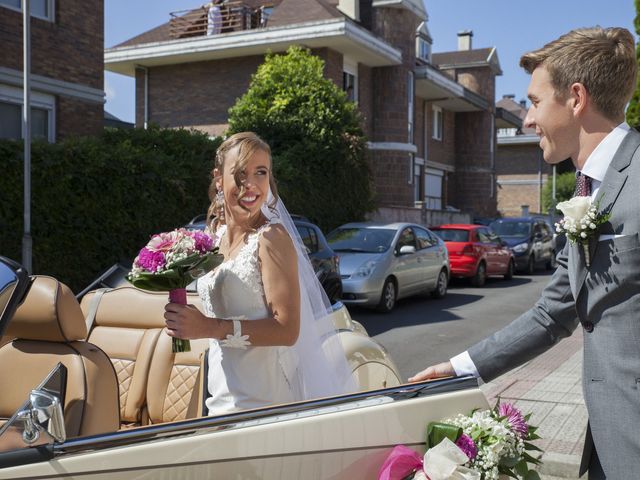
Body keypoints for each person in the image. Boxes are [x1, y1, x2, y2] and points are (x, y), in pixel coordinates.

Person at [409, 27, 639, 479]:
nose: (526, 121)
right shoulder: (585, 191)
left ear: (576, 99)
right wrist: (458, 369)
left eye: (535, 102)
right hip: (609, 445)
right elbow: (553, 314)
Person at [164, 132, 354, 415]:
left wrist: (208, 327)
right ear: (219, 178)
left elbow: (288, 330)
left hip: (262, 400)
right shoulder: (212, 236)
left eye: (260, 173)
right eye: (240, 173)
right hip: (220, 393)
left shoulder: (271, 238)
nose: (250, 184)